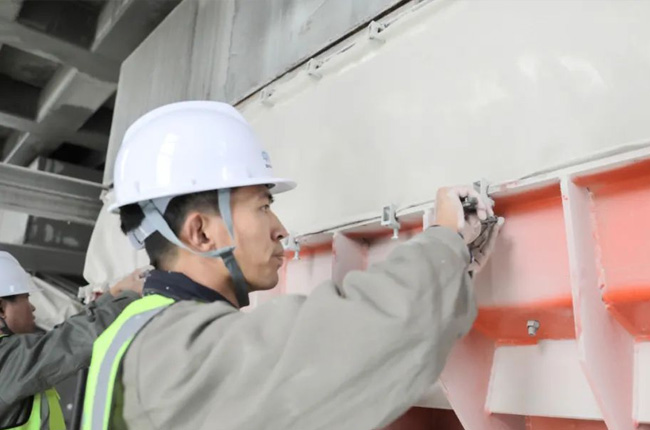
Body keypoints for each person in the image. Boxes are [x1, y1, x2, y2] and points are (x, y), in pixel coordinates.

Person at [82, 101, 502, 430]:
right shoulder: (173, 355)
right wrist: (444, 242)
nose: (280, 229)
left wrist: (454, 268)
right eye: (263, 206)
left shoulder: (137, 331)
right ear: (201, 233)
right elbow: (370, 336)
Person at [0, 252, 146, 429]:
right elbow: (72, 341)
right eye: (26, 298)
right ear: (1, 309)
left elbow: (61, 338)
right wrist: (129, 297)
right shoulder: (6, 360)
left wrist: (113, 296)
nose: (32, 307)